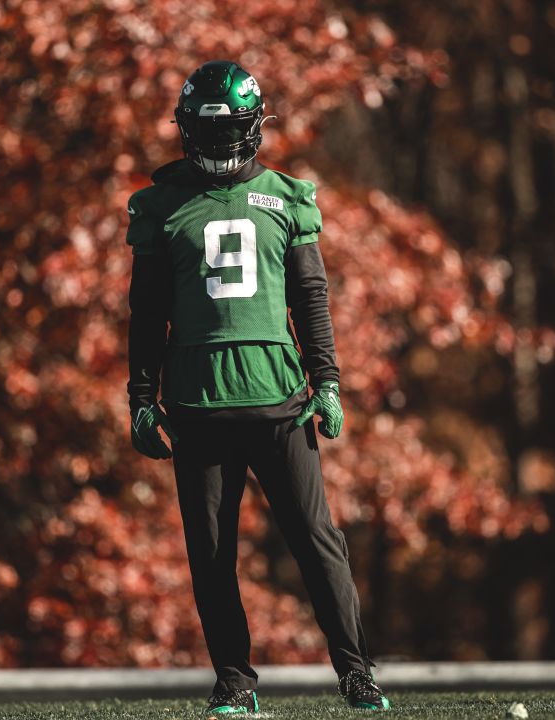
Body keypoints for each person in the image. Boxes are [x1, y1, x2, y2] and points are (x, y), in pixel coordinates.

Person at [124, 60, 390, 714]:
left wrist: (327, 379)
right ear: (186, 129)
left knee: (316, 540)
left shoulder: (285, 196)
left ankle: (357, 675)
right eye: (205, 129)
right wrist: (140, 396)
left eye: (228, 129)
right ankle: (235, 684)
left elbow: (311, 296)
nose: (216, 143)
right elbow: (146, 309)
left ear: (252, 127)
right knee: (211, 554)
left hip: (279, 400)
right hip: (198, 403)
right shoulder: (160, 205)